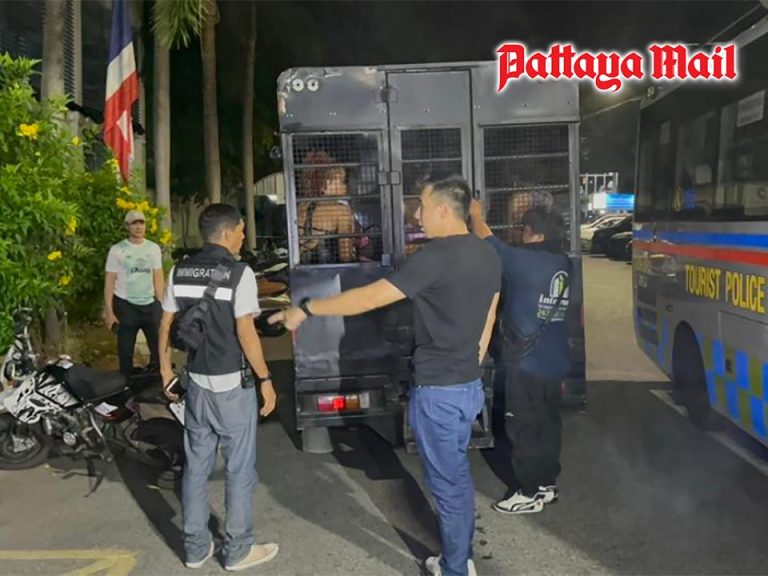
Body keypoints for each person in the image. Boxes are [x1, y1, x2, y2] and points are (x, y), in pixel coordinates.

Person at [270, 176, 501, 576]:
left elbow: (370, 297)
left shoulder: (434, 257)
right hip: (467, 387)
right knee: (457, 477)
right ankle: (457, 557)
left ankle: (456, 569)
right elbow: (490, 314)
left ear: (444, 209)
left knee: (448, 487)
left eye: (422, 206)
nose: (417, 214)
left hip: (440, 391)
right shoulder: (487, 252)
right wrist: (472, 364)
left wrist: (306, 309)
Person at [158, 204, 279, 571]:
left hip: (196, 383)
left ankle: (195, 548)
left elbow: (166, 325)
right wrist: (265, 379)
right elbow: (246, 332)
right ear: (227, 233)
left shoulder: (179, 270)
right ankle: (238, 549)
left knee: (196, 467)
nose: (243, 237)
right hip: (231, 386)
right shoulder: (240, 274)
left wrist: (165, 372)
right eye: (241, 231)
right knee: (239, 469)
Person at [469, 199, 571, 515]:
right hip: (555, 361)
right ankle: (546, 484)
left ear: (536, 234)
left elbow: (488, 241)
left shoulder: (524, 261)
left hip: (527, 364)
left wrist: (475, 214)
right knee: (548, 425)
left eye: (523, 230)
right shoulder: (564, 263)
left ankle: (527, 492)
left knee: (523, 426)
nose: (519, 235)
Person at [103, 209, 164, 375]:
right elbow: (110, 281)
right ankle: (127, 383)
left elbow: (158, 277)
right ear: (127, 226)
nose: (138, 227)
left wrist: (163, 304)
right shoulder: (117, 250)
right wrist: (109, 311)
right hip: (126, 305)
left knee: (158, 348)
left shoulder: (153, 248)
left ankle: (156, 380)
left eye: (141, 223)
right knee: (125, 351)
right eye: (134, 223)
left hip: (150, 304)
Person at [298, 155, 357, 264]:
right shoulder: (341, 211)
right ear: (325, 184)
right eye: (342, 181)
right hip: (331, 271)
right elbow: (345, 256)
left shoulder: (302, 206)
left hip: (303, 270)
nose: (345, 186)